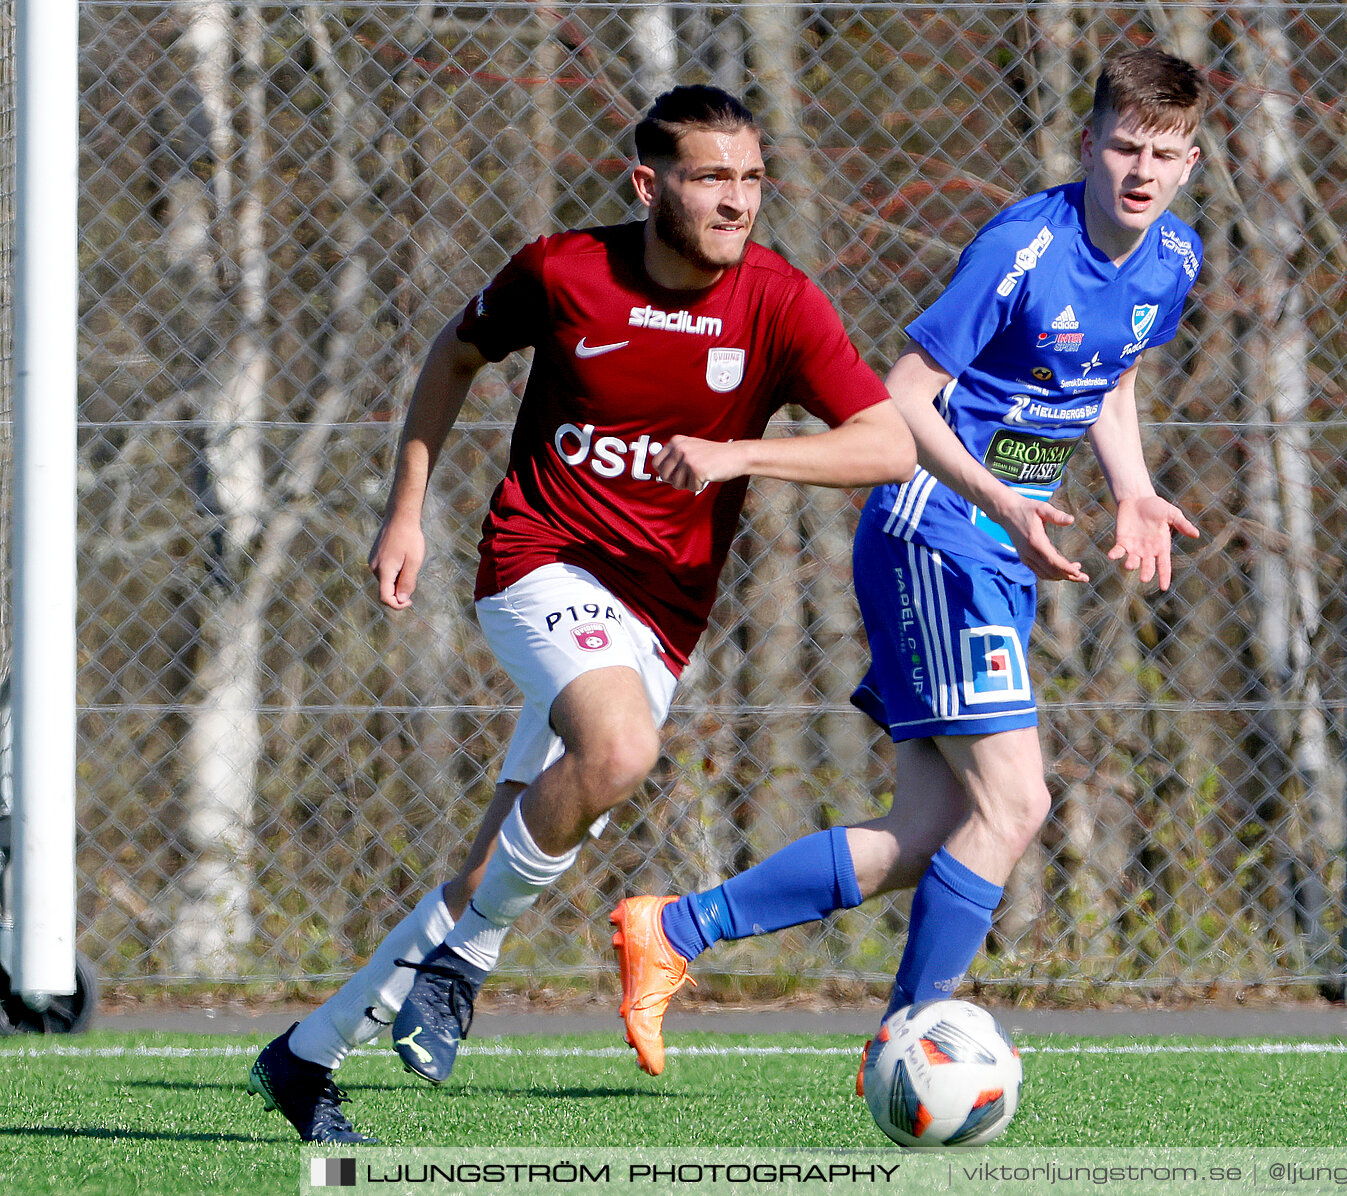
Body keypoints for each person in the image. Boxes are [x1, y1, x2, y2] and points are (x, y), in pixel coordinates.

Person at [246, 84, 914, 1143]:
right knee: (619, 747)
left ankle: (305, 1055)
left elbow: (888, 443)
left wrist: (744, 452)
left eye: (749, 179)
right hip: (539, 562)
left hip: (662, 614)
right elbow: (453, 355)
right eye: (709, 179)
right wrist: (406, 510)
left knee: (495, 858)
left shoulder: (780, 302)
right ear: (649, 184)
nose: (736, 202)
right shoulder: (562, 271)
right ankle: (468, 960)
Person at [608, 47, 1206, 1084]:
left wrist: (1134, 487)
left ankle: (677, 928)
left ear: (1190, 162)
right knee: (1016, 806)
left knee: (933, 829)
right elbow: (906, 394)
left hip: (994, 538)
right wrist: (1002, 500)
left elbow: (1110, 376)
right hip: (936, 525)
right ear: (1087, 144)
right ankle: (906, 1037)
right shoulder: (1023, 248)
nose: (1140, 171)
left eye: (1163, 153)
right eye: (1122, 147)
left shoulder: (1174, 259)